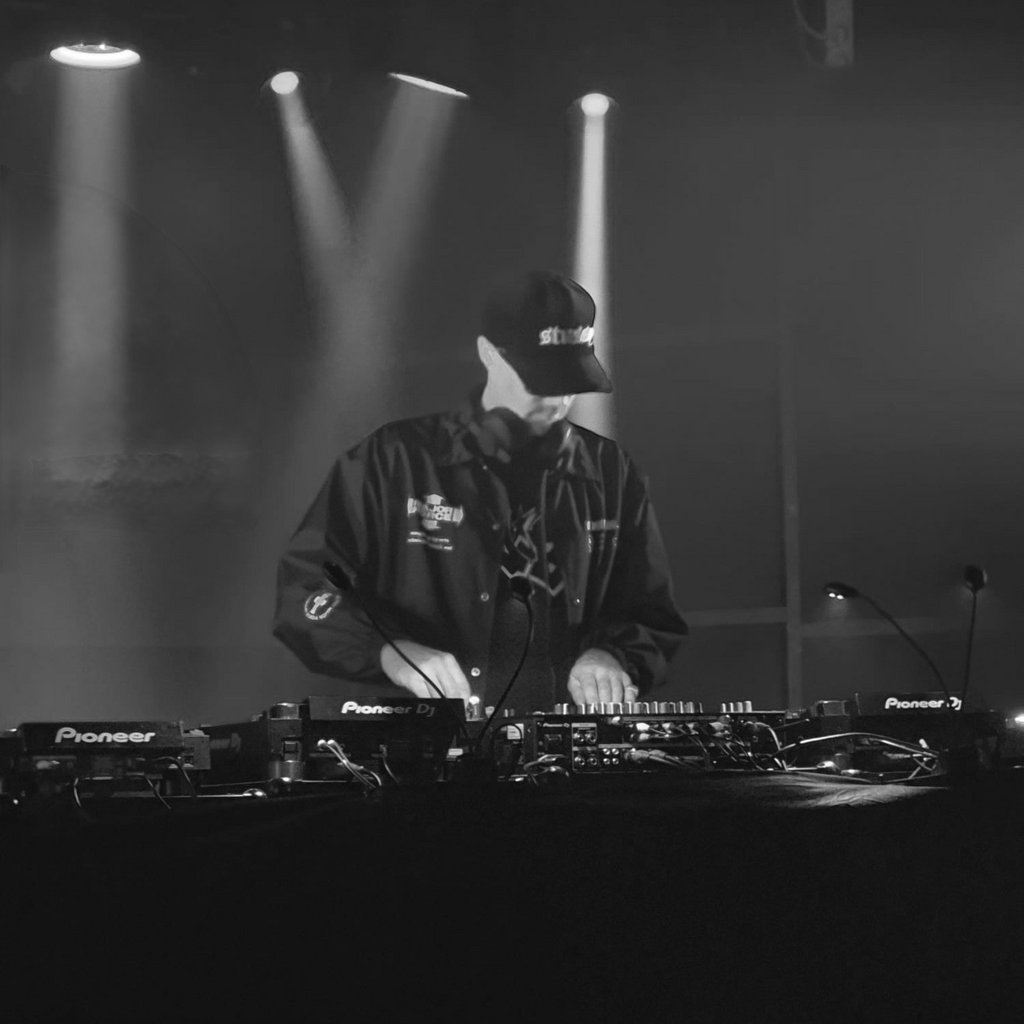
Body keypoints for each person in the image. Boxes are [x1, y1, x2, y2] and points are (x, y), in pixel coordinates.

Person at [273, 270, 687, 715]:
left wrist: (612, 655)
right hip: (422, 739)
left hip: (557, 741)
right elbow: (306, 594)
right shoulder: (392, 461)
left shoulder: (610, 471)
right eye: (540, 379)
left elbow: (651, 616)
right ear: (489, 353)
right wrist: (390, 652)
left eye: (570, 379)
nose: (557, 399)